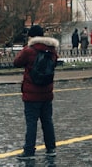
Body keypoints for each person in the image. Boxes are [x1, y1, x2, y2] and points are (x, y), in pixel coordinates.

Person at [13, 25, 59, 160]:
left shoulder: (29, 50)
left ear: (31, 36)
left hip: (31, 93)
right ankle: (51, 148)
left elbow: (17, 62)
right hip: (47, 92)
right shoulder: (52, 50)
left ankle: (29, 150)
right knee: (47, 121)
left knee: (31, 123)